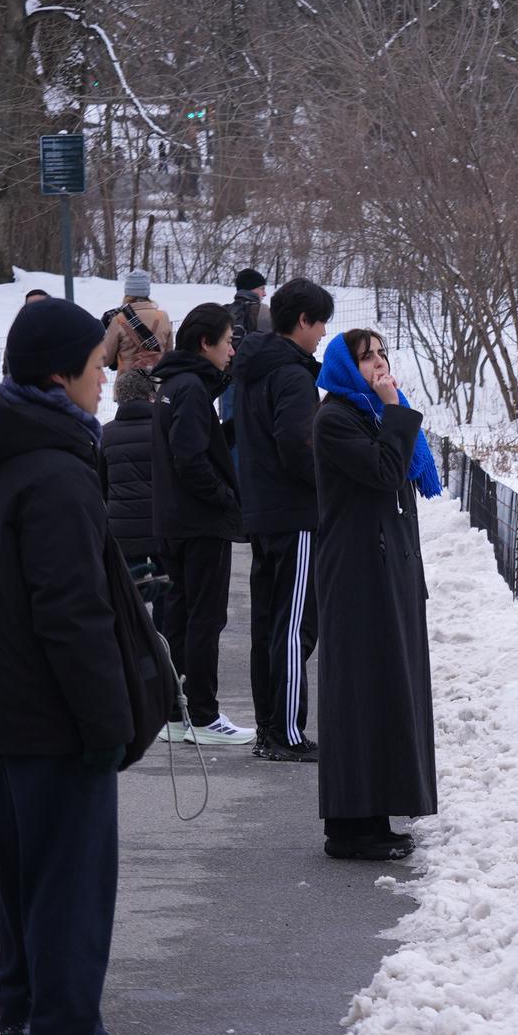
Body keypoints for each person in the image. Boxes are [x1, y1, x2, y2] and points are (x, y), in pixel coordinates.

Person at [0, 299, 162, 1035]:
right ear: (57, 372)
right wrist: (106, 720)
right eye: (96, 362)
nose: (105, 377)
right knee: (71, 876)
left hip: (6, 703)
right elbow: (71, 614)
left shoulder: (3, 451)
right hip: (52, 710)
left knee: (26, 871)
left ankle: (27, 1021)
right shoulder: (57, 472)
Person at [313, 328, 439, 860]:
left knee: (386, 688)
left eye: (382, 354)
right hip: (358, 572)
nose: (379, 365)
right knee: (359, 693)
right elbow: (386, 472)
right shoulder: (335, 419)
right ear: (345, 367)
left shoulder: (365, 413)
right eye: (367, 358)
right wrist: (394, 408)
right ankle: (348, 827)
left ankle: (376, 815)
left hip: (385, 567)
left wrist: (389, 410)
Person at [234, 278, 331, 763]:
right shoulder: (293, 376)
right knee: (295, 627)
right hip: (294, 513)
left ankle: (269, 728)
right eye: (320, 325)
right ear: (302, 322)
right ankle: (287, 733)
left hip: (261, 511)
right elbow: (296, 444)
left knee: (269, 626)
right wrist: (326, 484)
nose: (322, 336)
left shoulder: (252, 368)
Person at [151, 303, 249, 744]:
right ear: (206, 343)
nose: (231, 352)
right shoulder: (190, 388)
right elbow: (188, 457)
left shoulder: (175, 383)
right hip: (199, 522)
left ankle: (177, 712)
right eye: (228, 342)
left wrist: (226, 431)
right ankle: (204, 715)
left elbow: (193, 445)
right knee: (204, 618)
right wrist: (225, 498)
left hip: (175, 520)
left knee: (181, 615)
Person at [102, 366, 165, 628]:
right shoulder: (163, 428)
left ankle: (135, 646)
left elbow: (101, 484)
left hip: (123, 527)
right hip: (162, 525)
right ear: (151, 394)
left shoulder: (106, 433)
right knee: (166, 590)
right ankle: (166, 646)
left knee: (130, 591)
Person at [222, 269, 272, 426]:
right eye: (262, 288)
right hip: (254, 381)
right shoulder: (263, 312)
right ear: (252, 289)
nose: (264, 294)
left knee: (230, 428)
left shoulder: (225, 311)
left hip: (227, 378)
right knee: (251, 428)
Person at [101, 270, 171, 375]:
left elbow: (105, 359)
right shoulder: (162, 317)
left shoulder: (119, 319)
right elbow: (169, 355)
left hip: (126, 383)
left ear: (127, 292)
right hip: (157, 381)